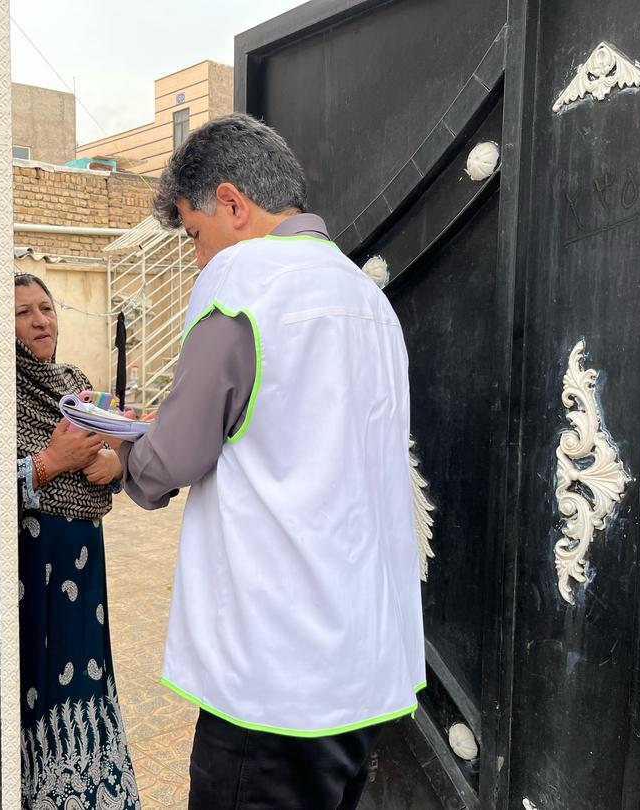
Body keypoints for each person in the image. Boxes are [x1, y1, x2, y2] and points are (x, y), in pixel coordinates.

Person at [102, 114, 425, 810]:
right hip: (363, 666)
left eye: (195, 235)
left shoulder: (244, 282)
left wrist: (126, 453)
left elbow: (172, 459)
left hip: (274, 680)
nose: (198, 259)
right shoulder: (367, 298)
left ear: (232, 203)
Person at [13, 273, 141, 810]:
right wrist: (48, 463)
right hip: (29, 578)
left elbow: (112, 452)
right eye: (23, 313)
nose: (41, 320)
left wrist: (113, 465)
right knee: (35, 689)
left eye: (46, 308)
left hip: (84, 572)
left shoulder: (75, 386)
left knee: (86, 683)